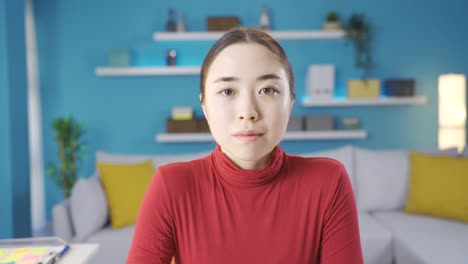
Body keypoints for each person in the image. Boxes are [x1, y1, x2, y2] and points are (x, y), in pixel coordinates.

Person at [127, 27, 364, 264]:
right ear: (205, 106)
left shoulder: (329, 182)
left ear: (290, 101)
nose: (248, 112)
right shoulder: (172, 186)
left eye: (267, 90)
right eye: (227, 91)